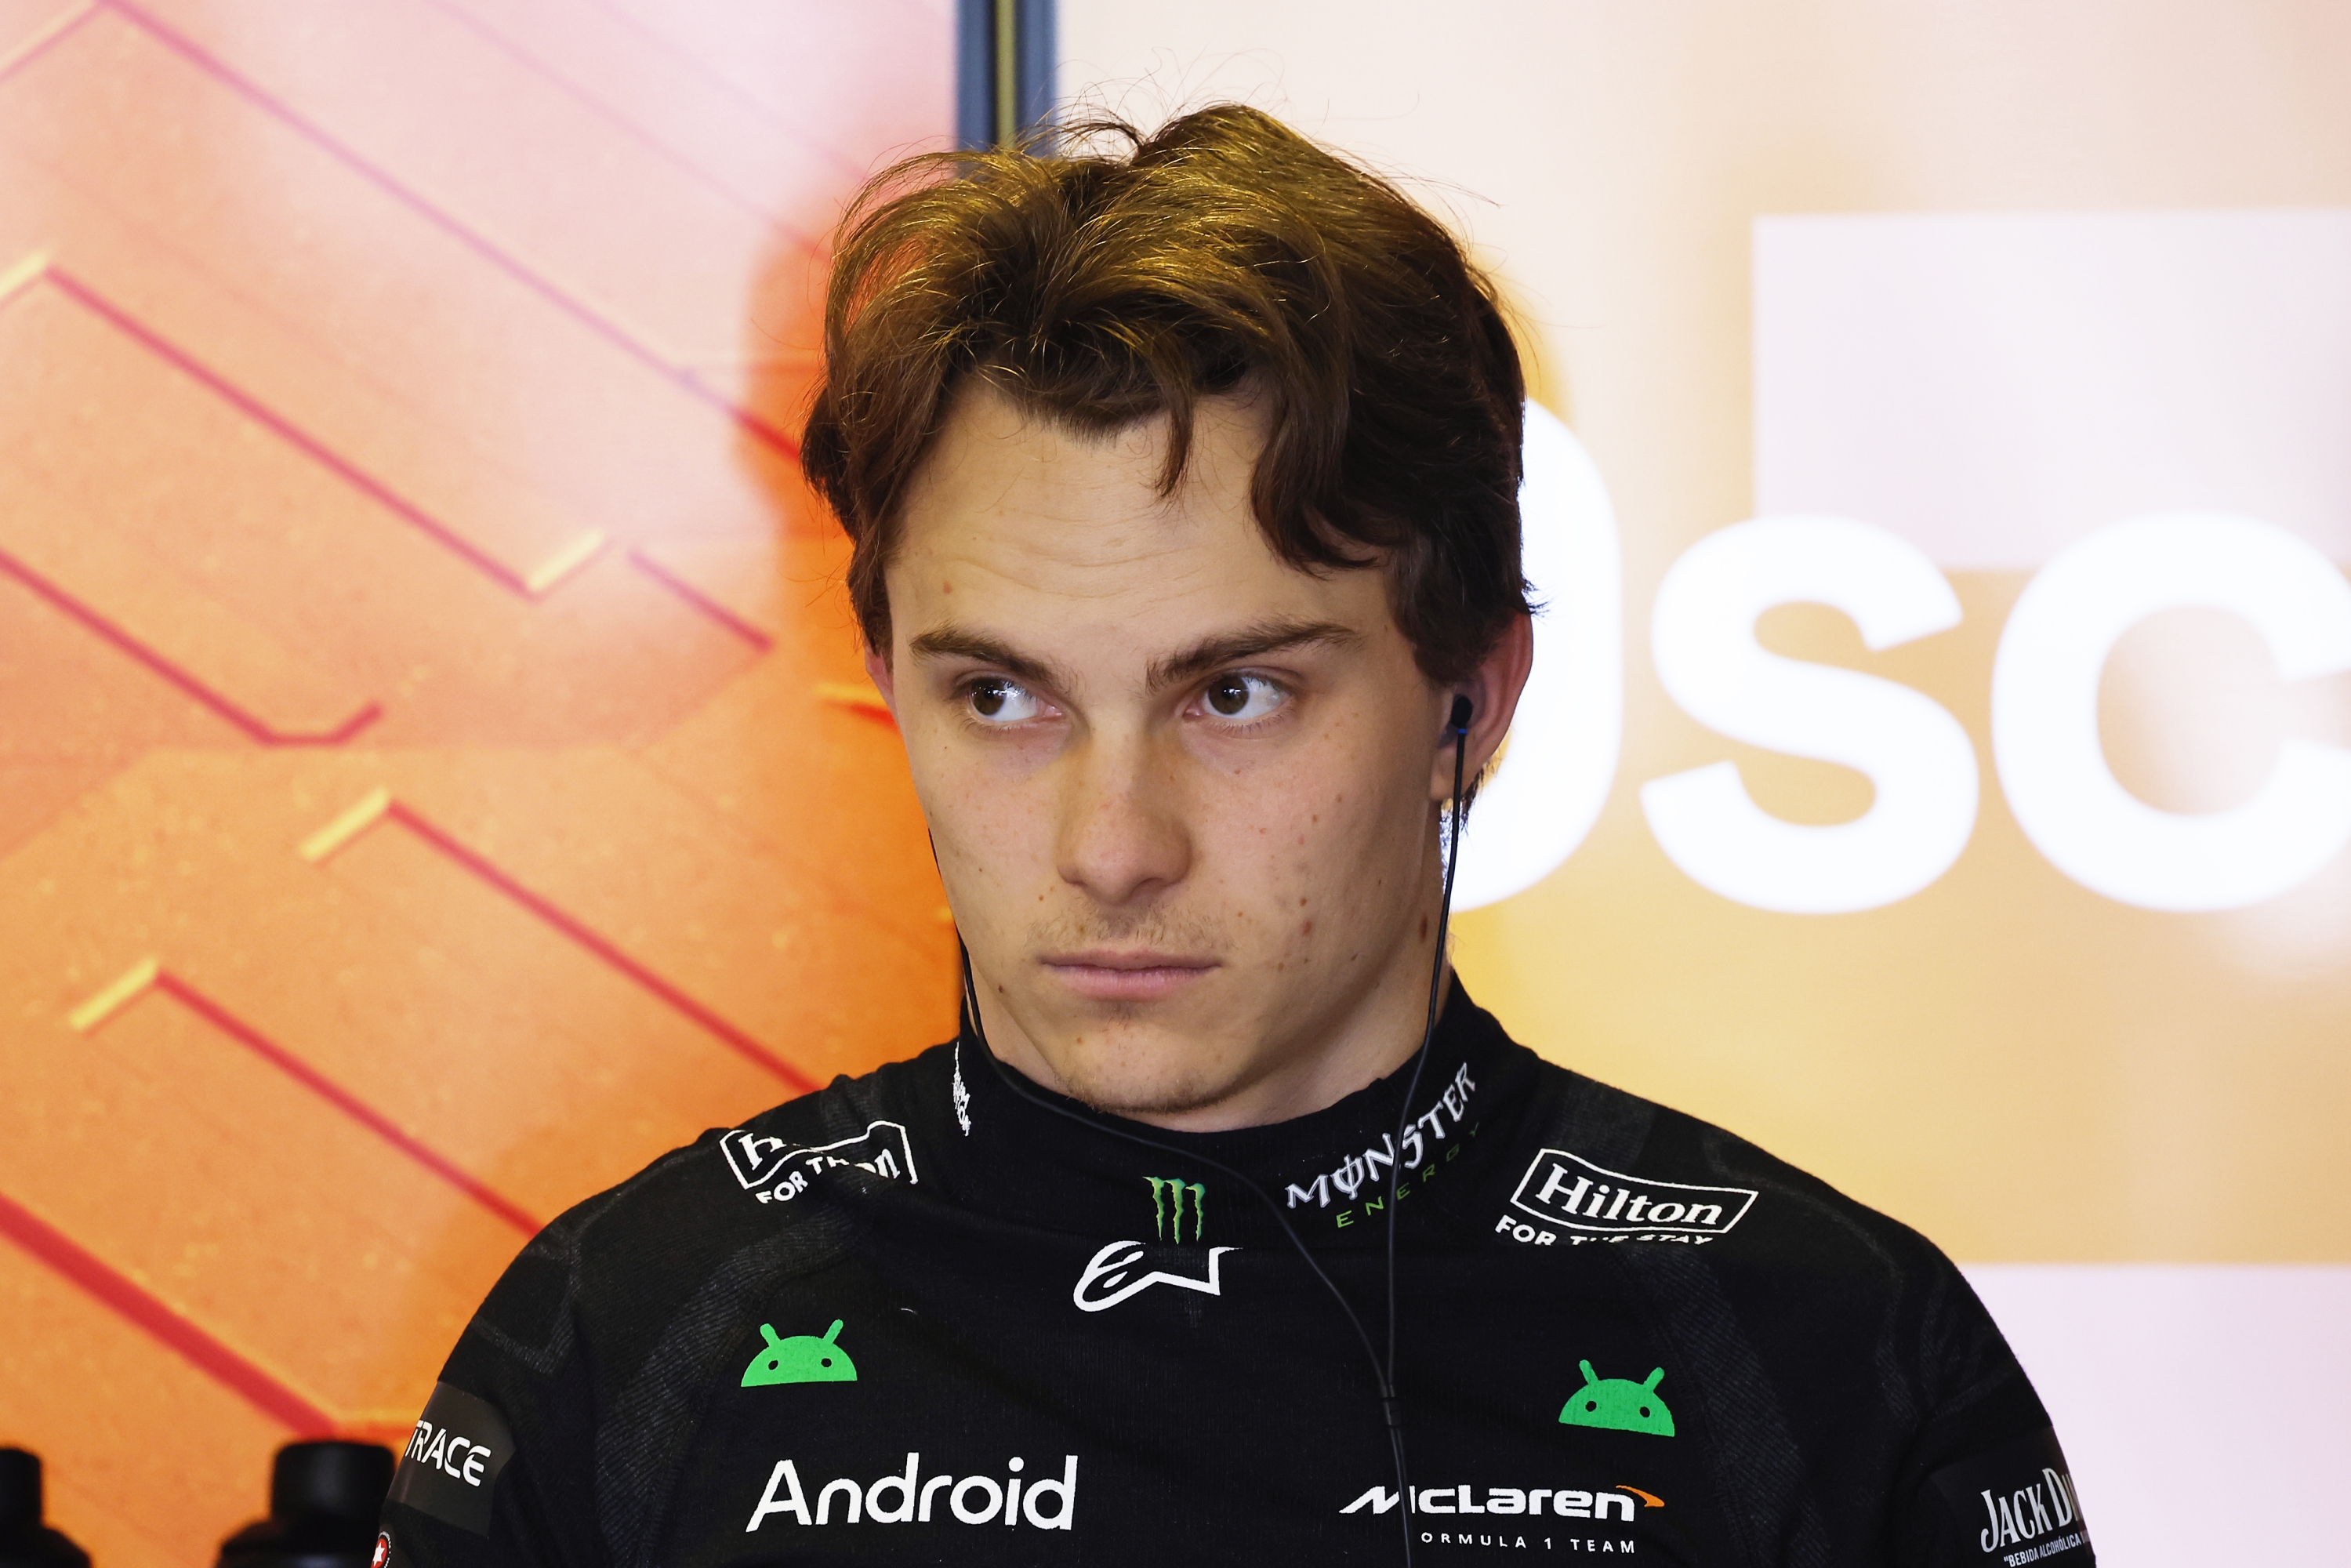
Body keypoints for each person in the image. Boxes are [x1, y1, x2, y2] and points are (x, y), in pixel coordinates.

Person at [375, 106, 2091, 1568]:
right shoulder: (631, 1333)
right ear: (891, 682)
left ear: (1472, 703)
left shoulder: (1824, 1356)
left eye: (1236, 696)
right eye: (1002, 698)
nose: (1112, 845)